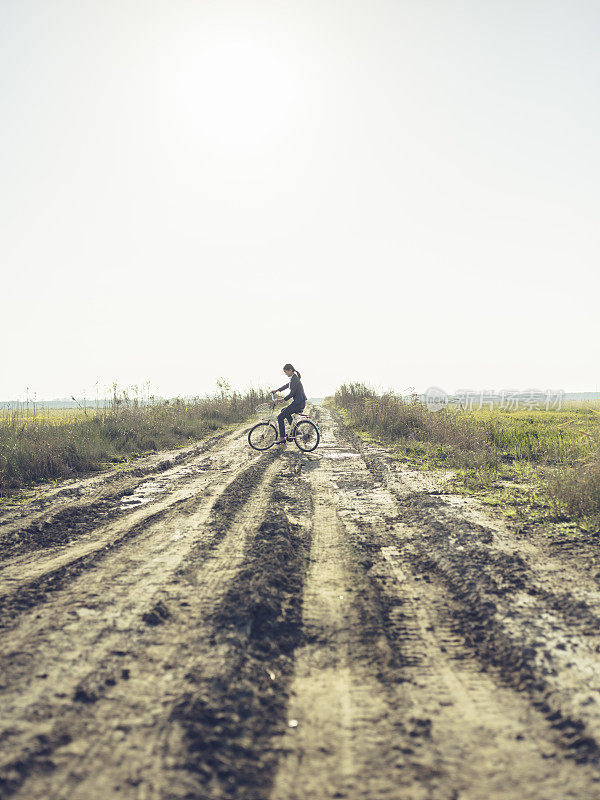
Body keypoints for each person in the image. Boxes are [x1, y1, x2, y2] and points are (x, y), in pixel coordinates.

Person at [271, 363, 307, 444]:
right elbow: (287, 385)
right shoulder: (293, 378)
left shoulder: (295, 379)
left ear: (290, 370)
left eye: (286, 372)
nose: (285, 374)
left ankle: (282, 438)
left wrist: (283, 399)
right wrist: (277, 390)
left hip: (298, 403)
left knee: (280, 417)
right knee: (284, 410)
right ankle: (295, 430)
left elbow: (292, 393)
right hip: (299, 402)